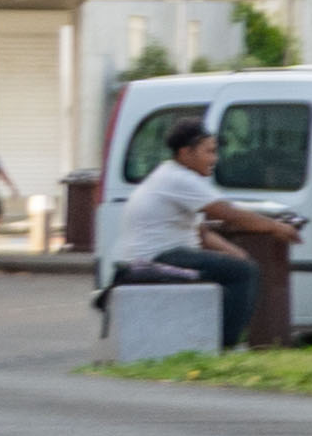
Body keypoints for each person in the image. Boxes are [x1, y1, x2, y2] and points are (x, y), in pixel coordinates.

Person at [97, 117, 290, 349]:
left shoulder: (172, 175)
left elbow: (202, 234)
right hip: (154, 260)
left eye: (215, 152)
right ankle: (225, 346)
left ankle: (215, 340)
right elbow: (228, 213)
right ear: (186, 153)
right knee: (243, 273)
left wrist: (236, 253)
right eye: (208, 152)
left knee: (240, 268)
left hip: (166, 255)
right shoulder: (179, 179)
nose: (214, 159)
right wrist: (276, 227)